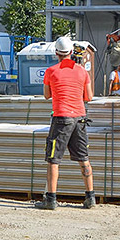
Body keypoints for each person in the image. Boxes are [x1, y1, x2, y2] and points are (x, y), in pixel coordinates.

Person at [35, 36, 96, 210]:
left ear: (56, 53)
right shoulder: (82, 71)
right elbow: (89, 97)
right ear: (71, 52)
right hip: (80, 119)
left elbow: (47, 95)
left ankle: (51, 200)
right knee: (84, 158)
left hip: (61, 118)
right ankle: (90, 197)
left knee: (53, 160)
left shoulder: (51, 71)